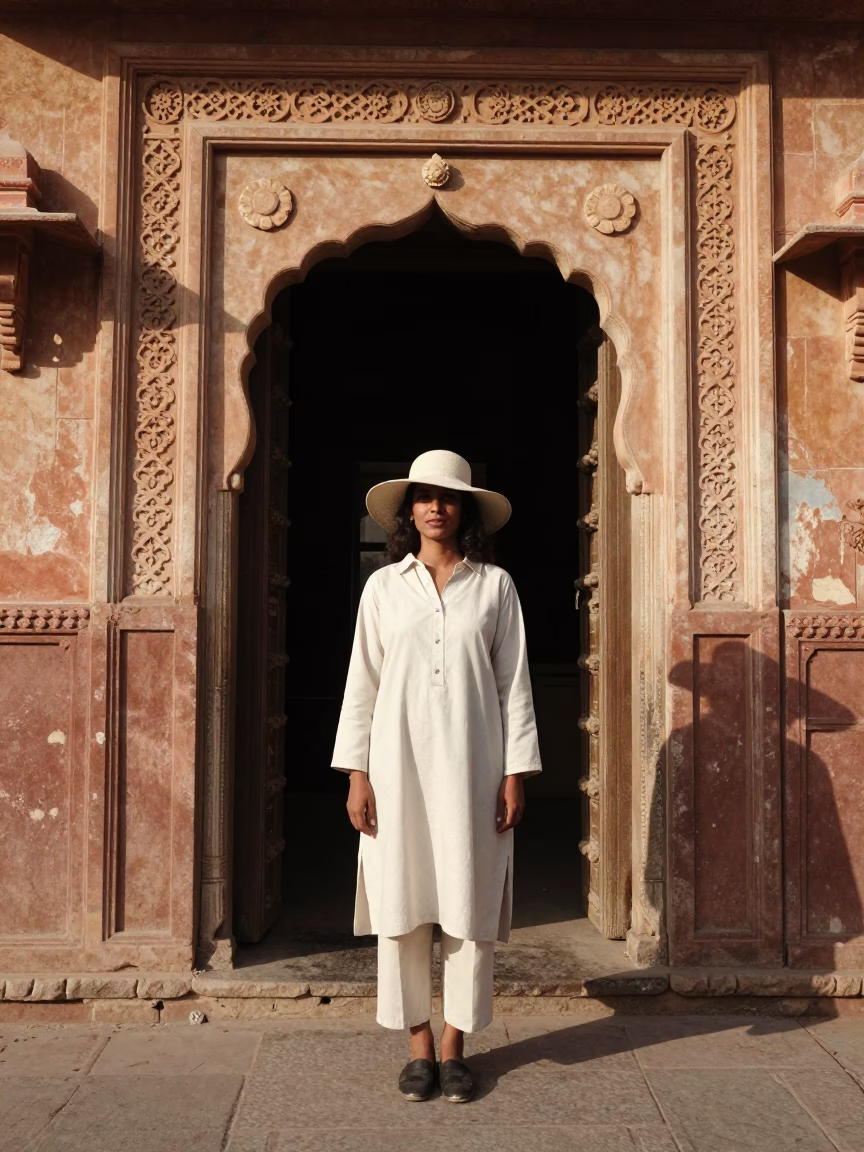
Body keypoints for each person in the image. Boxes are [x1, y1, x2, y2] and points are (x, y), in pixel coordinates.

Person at [331, 449, 542, 1103]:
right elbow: (361, 683)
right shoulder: (384, 588)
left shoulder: (494, 587)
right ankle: (417, 1046)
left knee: (468, 904)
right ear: (409, 510)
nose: (435, 507)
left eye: (447, 498)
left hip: (474, 770)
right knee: (402, 902)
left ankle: (455, 1048)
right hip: (396, 770)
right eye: (423, 496)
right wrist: (356, 774)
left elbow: (514, 686)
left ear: (464, 510)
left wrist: (514, 773)